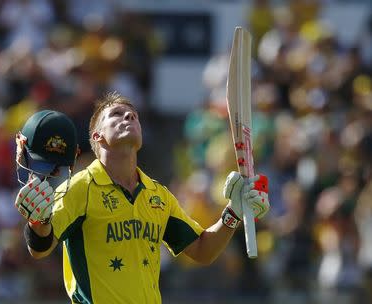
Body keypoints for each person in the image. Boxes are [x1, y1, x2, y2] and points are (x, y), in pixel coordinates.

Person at [14, 92, 270, 303]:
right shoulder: (81, 187)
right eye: (116, 114)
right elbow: (41, 247)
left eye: (133, 116)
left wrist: (233, 213)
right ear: (97, 136)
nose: (128, 116)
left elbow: (202, 250)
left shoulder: (157, 195)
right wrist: (38, 223)